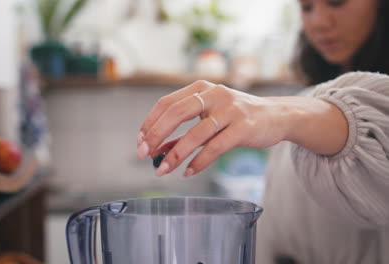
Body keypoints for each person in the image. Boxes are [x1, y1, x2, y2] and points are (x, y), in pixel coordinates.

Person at [136, 0, 389, 263]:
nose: (319, 22)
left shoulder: (304, 113)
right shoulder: (303, 101)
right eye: (307, 8)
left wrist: (280, 114)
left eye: (336, 3)